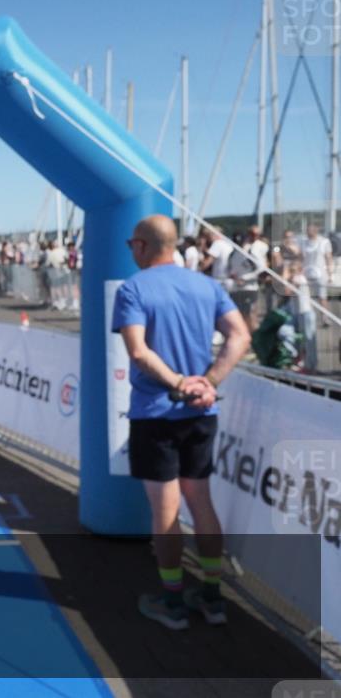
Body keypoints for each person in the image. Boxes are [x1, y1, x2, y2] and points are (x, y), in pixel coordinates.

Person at [113, 215, 251, 631]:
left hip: (158, 414)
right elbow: (239, 336)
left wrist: (178, 384)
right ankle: (212, 597)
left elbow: (137, 352)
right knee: (201, 504)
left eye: (130, 245)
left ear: (140, 246)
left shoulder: (133, 288)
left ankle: (172, 601)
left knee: (166, 511)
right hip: (200, 413)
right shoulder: (207, 285)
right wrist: (206, 383)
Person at [227, 225, 268, 332]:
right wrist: (233, 275)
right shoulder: (233, 252)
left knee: (250, 315)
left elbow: (261, 269)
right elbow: (231, 268)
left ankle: (254, 338)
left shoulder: (252, 251)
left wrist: (244, 278)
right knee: (239, 315)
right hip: (235, 288)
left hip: (249, 288)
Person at [300, 223, 334, 324]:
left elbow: (329, 258)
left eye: (309, 230)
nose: (307, 232)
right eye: (307, 230)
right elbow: (301, 258)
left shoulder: (324, 242)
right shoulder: (304, 243)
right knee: (306, 297)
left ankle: (325, 317)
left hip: (320, 274)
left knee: (322, 297)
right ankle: (308, 319)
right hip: (306, 274)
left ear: (315, 231)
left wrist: (330, 274)